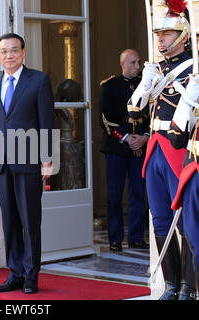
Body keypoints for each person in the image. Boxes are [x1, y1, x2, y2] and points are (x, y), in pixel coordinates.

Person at [127, 3, 195, 300]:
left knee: (187, 220)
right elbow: (135, 109)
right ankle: (170, 285)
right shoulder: (156, 69)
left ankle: (189, 287)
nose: (160, 39)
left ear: (183, 36)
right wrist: (145, 82)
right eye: (159, 34)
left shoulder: (193, 68)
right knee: (160, 219)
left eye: (167, 33)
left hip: (179, 148)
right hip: (155, 146)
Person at [0, 33, 54, 294]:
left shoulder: (38, 80)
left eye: (14, 50)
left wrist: (47, 159)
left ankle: (31, 275)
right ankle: (14, 273)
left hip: (29, 162)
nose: (9, 55)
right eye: (4, 51)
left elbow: (47, 121)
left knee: (29, 220)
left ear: (24, 52)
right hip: (1, 163)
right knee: (9, 220)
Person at [99, 49, 149, 252]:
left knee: (138, 194)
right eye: (134, 62)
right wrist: (128, 139)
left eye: (139, 62)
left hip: (140, 147)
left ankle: (136, 237)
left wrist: (144, 139)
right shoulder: (109, 86)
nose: (138, 66)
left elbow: (151, 114)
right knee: (115, 196)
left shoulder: (146, 86)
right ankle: (115, 238)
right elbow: (105, 120)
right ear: (123, 64)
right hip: (118, 147)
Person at [168, 31, 199, 300]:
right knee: (191, 227)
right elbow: (178, 135)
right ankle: (185, 288)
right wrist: (188, 101)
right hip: (194, 162)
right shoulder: (194, 79)